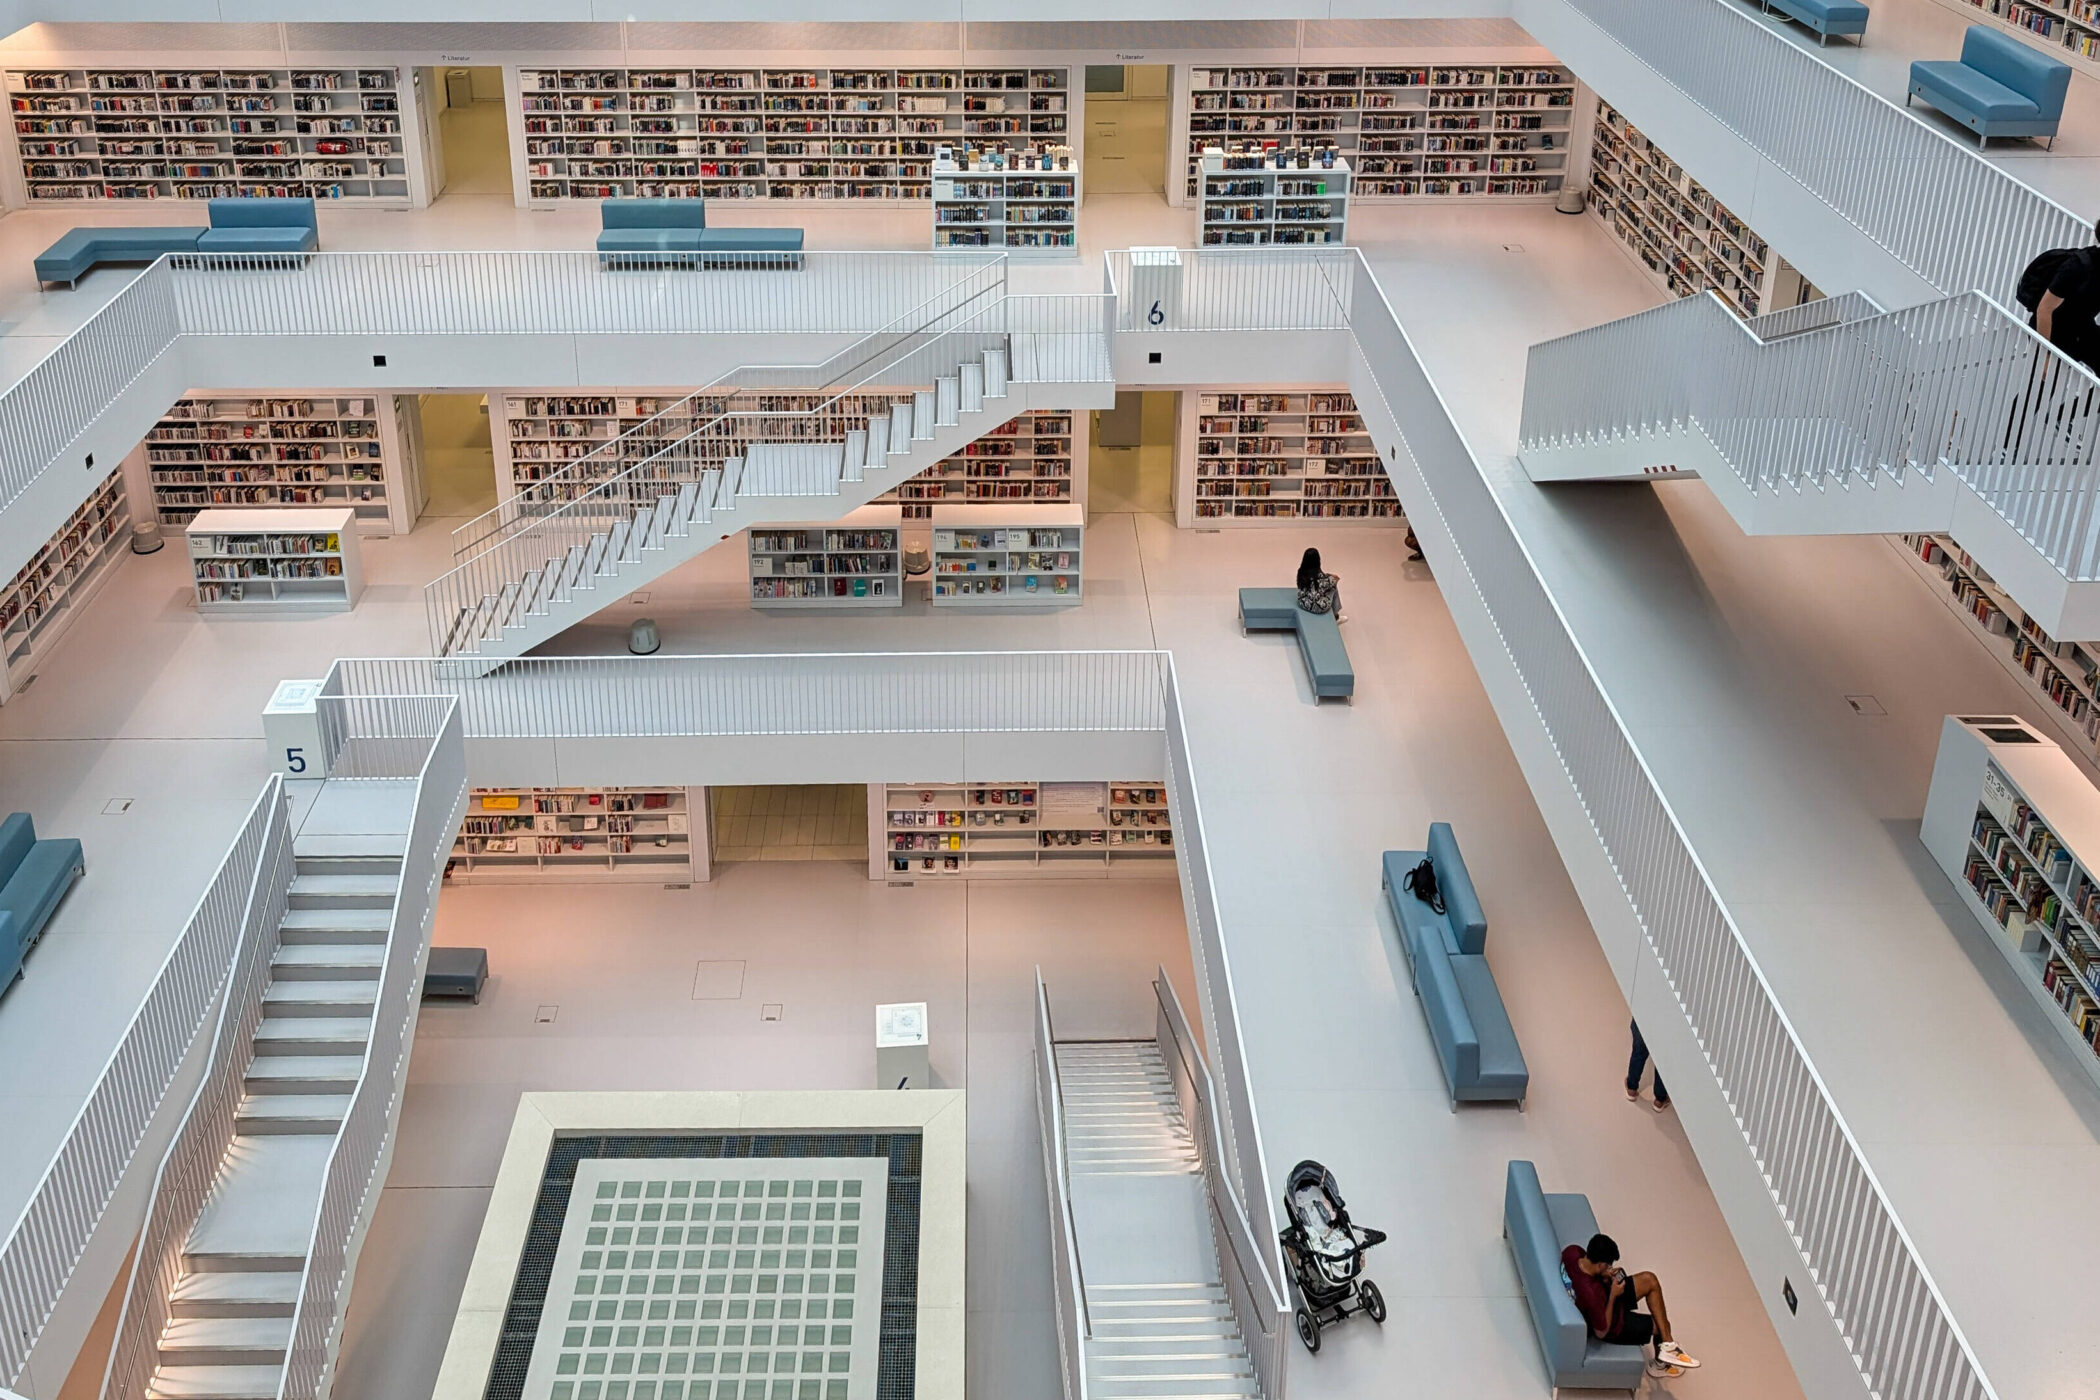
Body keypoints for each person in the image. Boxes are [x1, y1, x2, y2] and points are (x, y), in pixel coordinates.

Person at [1563, 1233, 1702, 1378]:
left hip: (1603, 1292)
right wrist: (1613, 1295)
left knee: (1650, 1279)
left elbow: (1586, 1274)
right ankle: (1660, 1365)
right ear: (1600, 1264)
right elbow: (1601, 1332)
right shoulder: (1591, 1293)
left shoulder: (1572, 1252)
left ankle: (1668, 1345)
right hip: (1611, 1323)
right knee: (1662, 1325)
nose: (1610, 1267)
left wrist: (1605, 1277)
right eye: (1608, 1265)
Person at [2029, 221, 2100, 373]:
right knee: (2045, 383)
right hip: (2053, 331)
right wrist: (2044, 355)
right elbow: (2044, 309)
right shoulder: (2078, 266)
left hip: (2082, 327)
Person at [1625, 1019, 1670, 1114]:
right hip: (1667, 1024)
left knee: (1639, 1051)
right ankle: (1659, 1100)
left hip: (1647, 1017)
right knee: (1663, 1058)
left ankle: (1631, 1088)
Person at [1296, 547, 1345, 623]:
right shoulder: (1320, 577)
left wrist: (1328, 575)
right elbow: (1335, 580)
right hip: (1318, 607)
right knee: (1334, 588)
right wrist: (1332, 577)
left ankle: (1336, 616)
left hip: (1303, 603)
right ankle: (1336, 616)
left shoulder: (1301, 572)